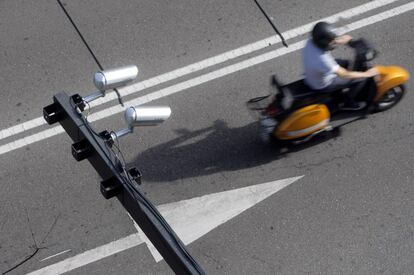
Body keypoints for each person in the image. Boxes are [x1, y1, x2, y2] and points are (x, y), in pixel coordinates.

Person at [302, 21, 378, 110]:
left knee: (347, 63)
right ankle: (348, 102)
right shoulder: (323, 59)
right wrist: (367, 74)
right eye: (331, 41)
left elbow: (326, 41)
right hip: (322, 84)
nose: (333, 42)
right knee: (361, 78)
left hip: (313, 76)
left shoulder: (310, 42)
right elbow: (345, 74)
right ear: (323, 42)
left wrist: (338, 40)